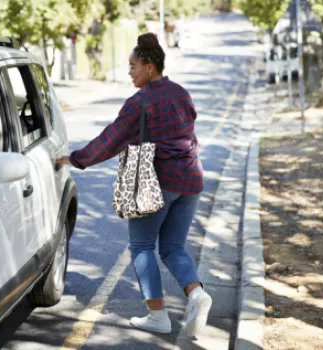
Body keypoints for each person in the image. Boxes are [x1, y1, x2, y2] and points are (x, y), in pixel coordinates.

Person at [57, 32, 212, 337]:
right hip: (191, 178)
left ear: (150, 66)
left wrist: (74, 159)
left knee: (141, 245)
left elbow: (110, 140)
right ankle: (197, 293)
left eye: (133, 66)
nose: (129, 71)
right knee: (173, 246)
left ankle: (158, 315)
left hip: (158, 182)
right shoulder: (181, 93)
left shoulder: (139, 102)